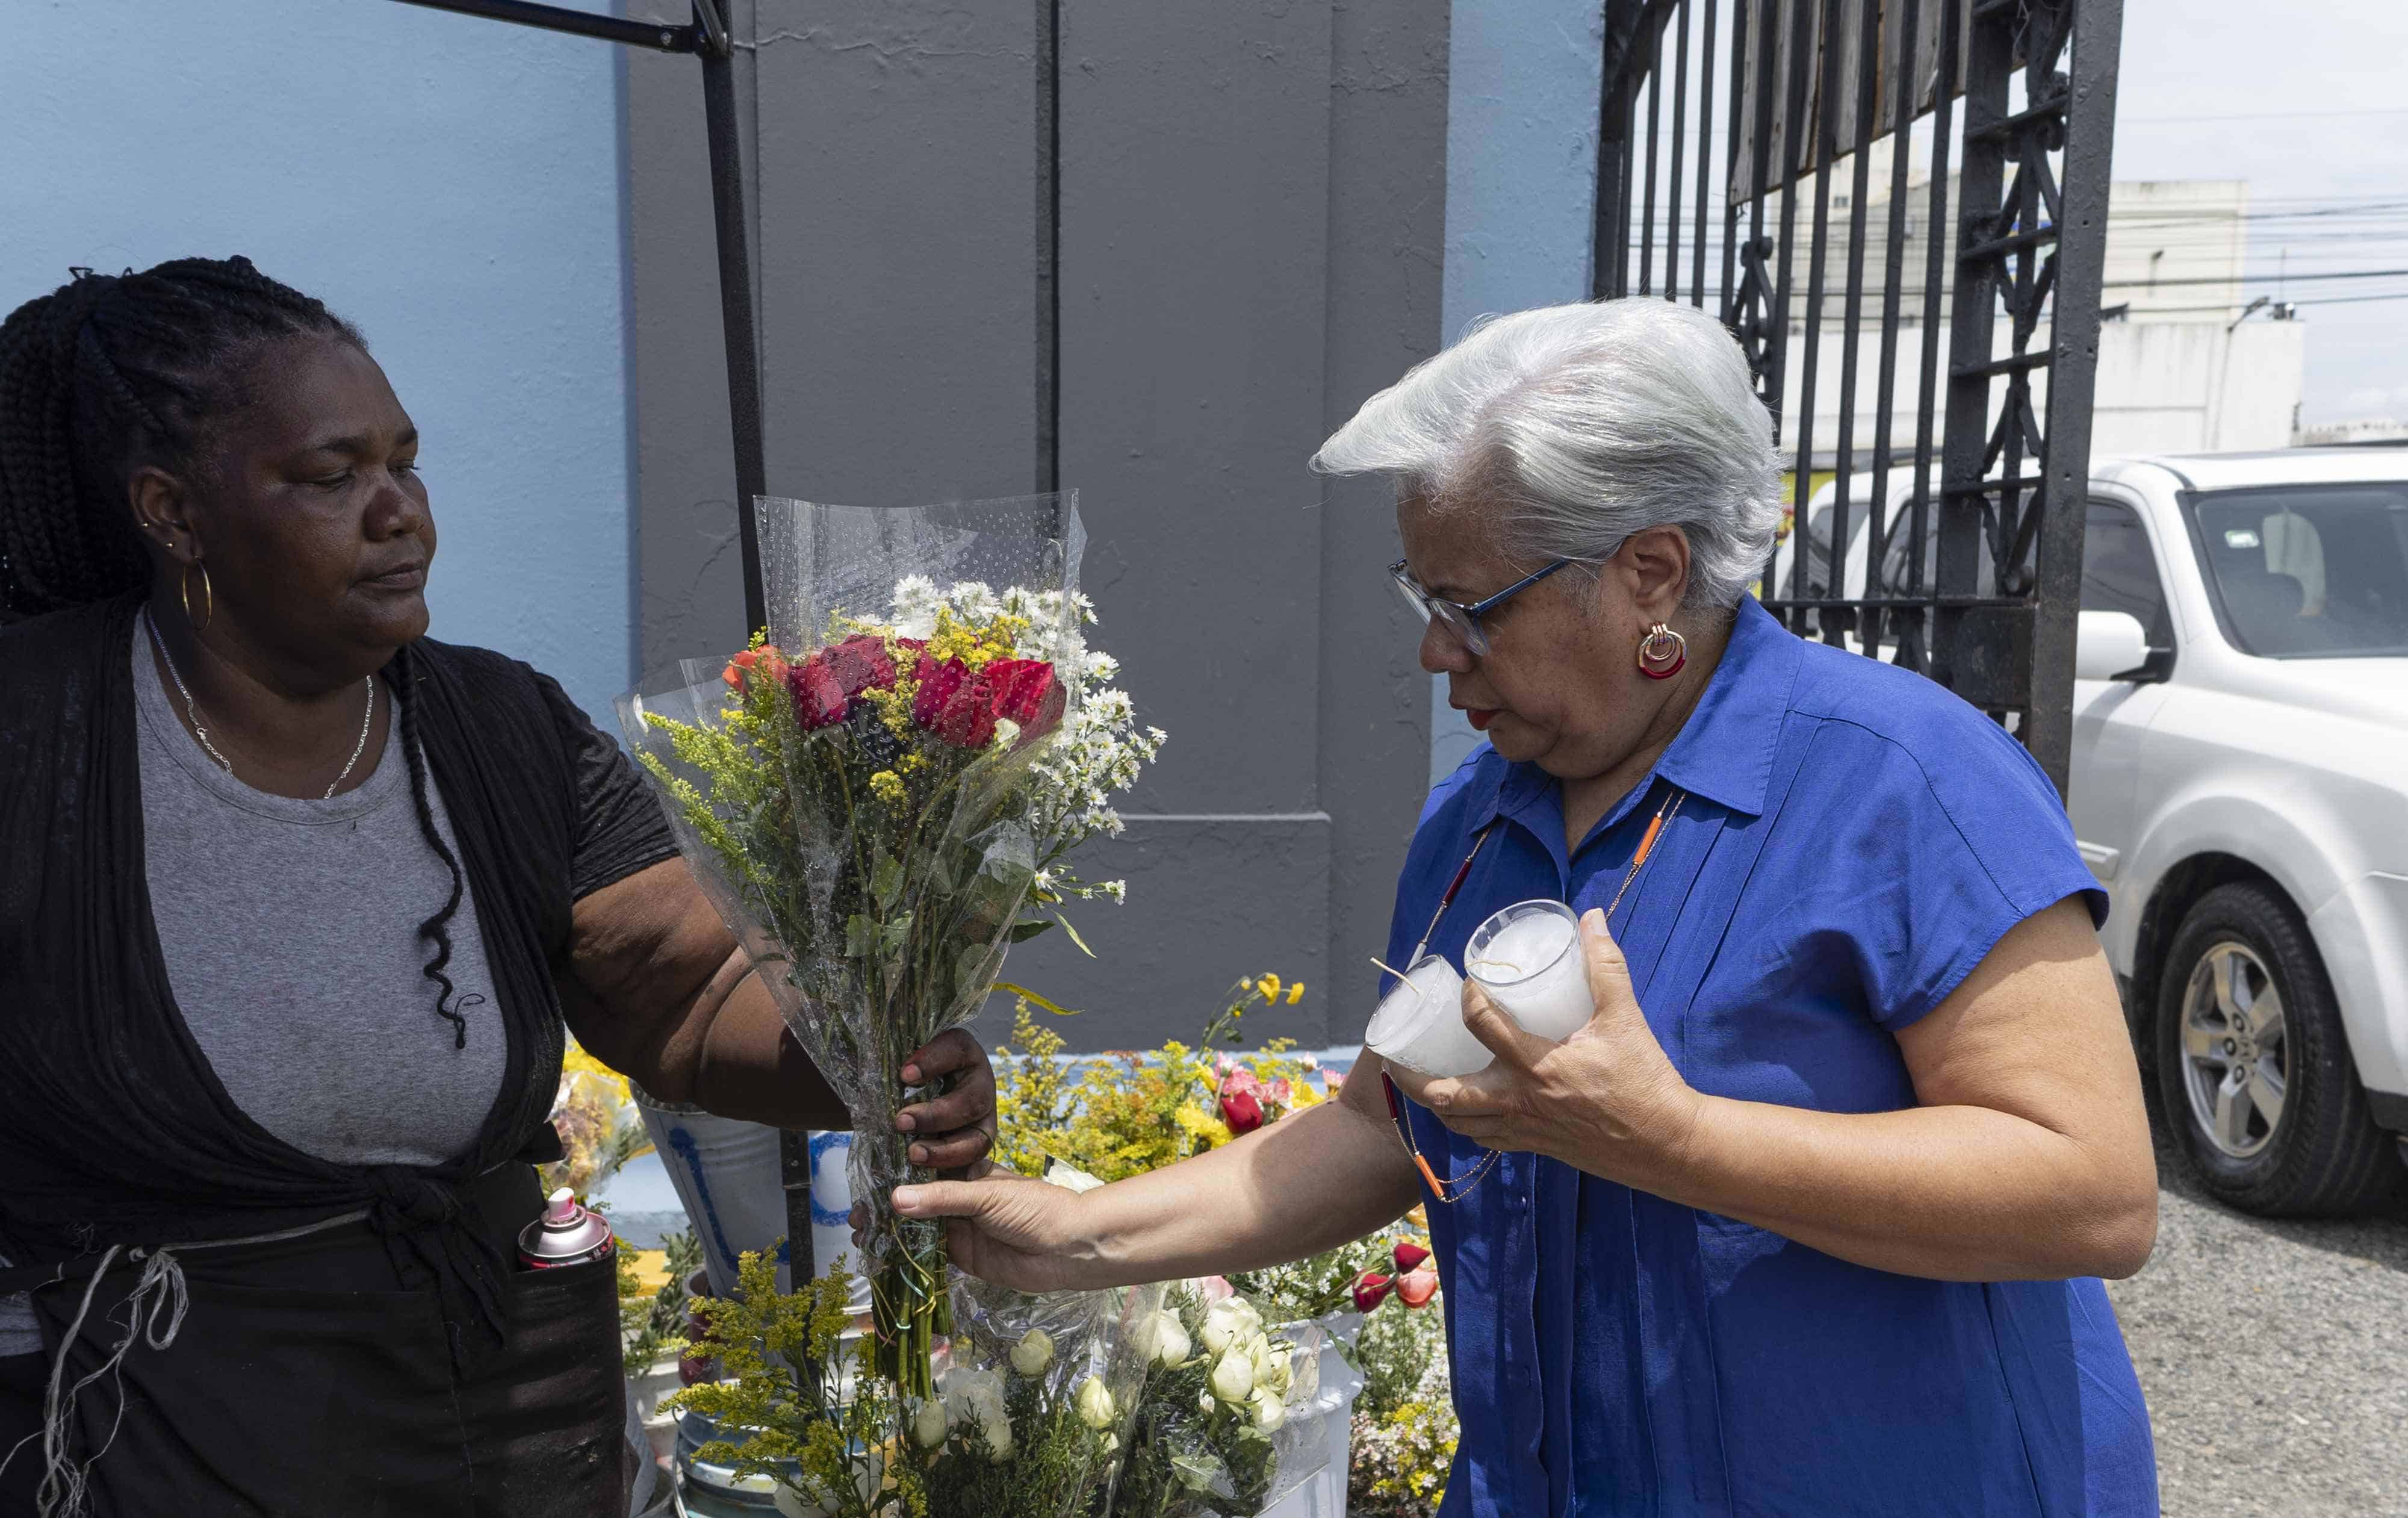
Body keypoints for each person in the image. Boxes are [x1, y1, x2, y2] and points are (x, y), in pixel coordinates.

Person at [885, 300, 2163, 1516]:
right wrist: (1070, 1236)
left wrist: (1672, 1138)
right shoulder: (1479, 822)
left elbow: (2091, 1192)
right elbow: (1389, 1129)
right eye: (1419, 596)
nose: (1434, 651)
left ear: (1648, 575)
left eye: (1469, 606)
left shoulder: (1898, 775)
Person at [0, 258, 997, 1518]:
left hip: (501, 1424)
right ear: (172, 511)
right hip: (153, 1440)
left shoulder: (499, 727)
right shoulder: (39, 736)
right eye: (331, 476)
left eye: (403, 464)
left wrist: (872, 1047)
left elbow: (684, 992)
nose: (397, 511)